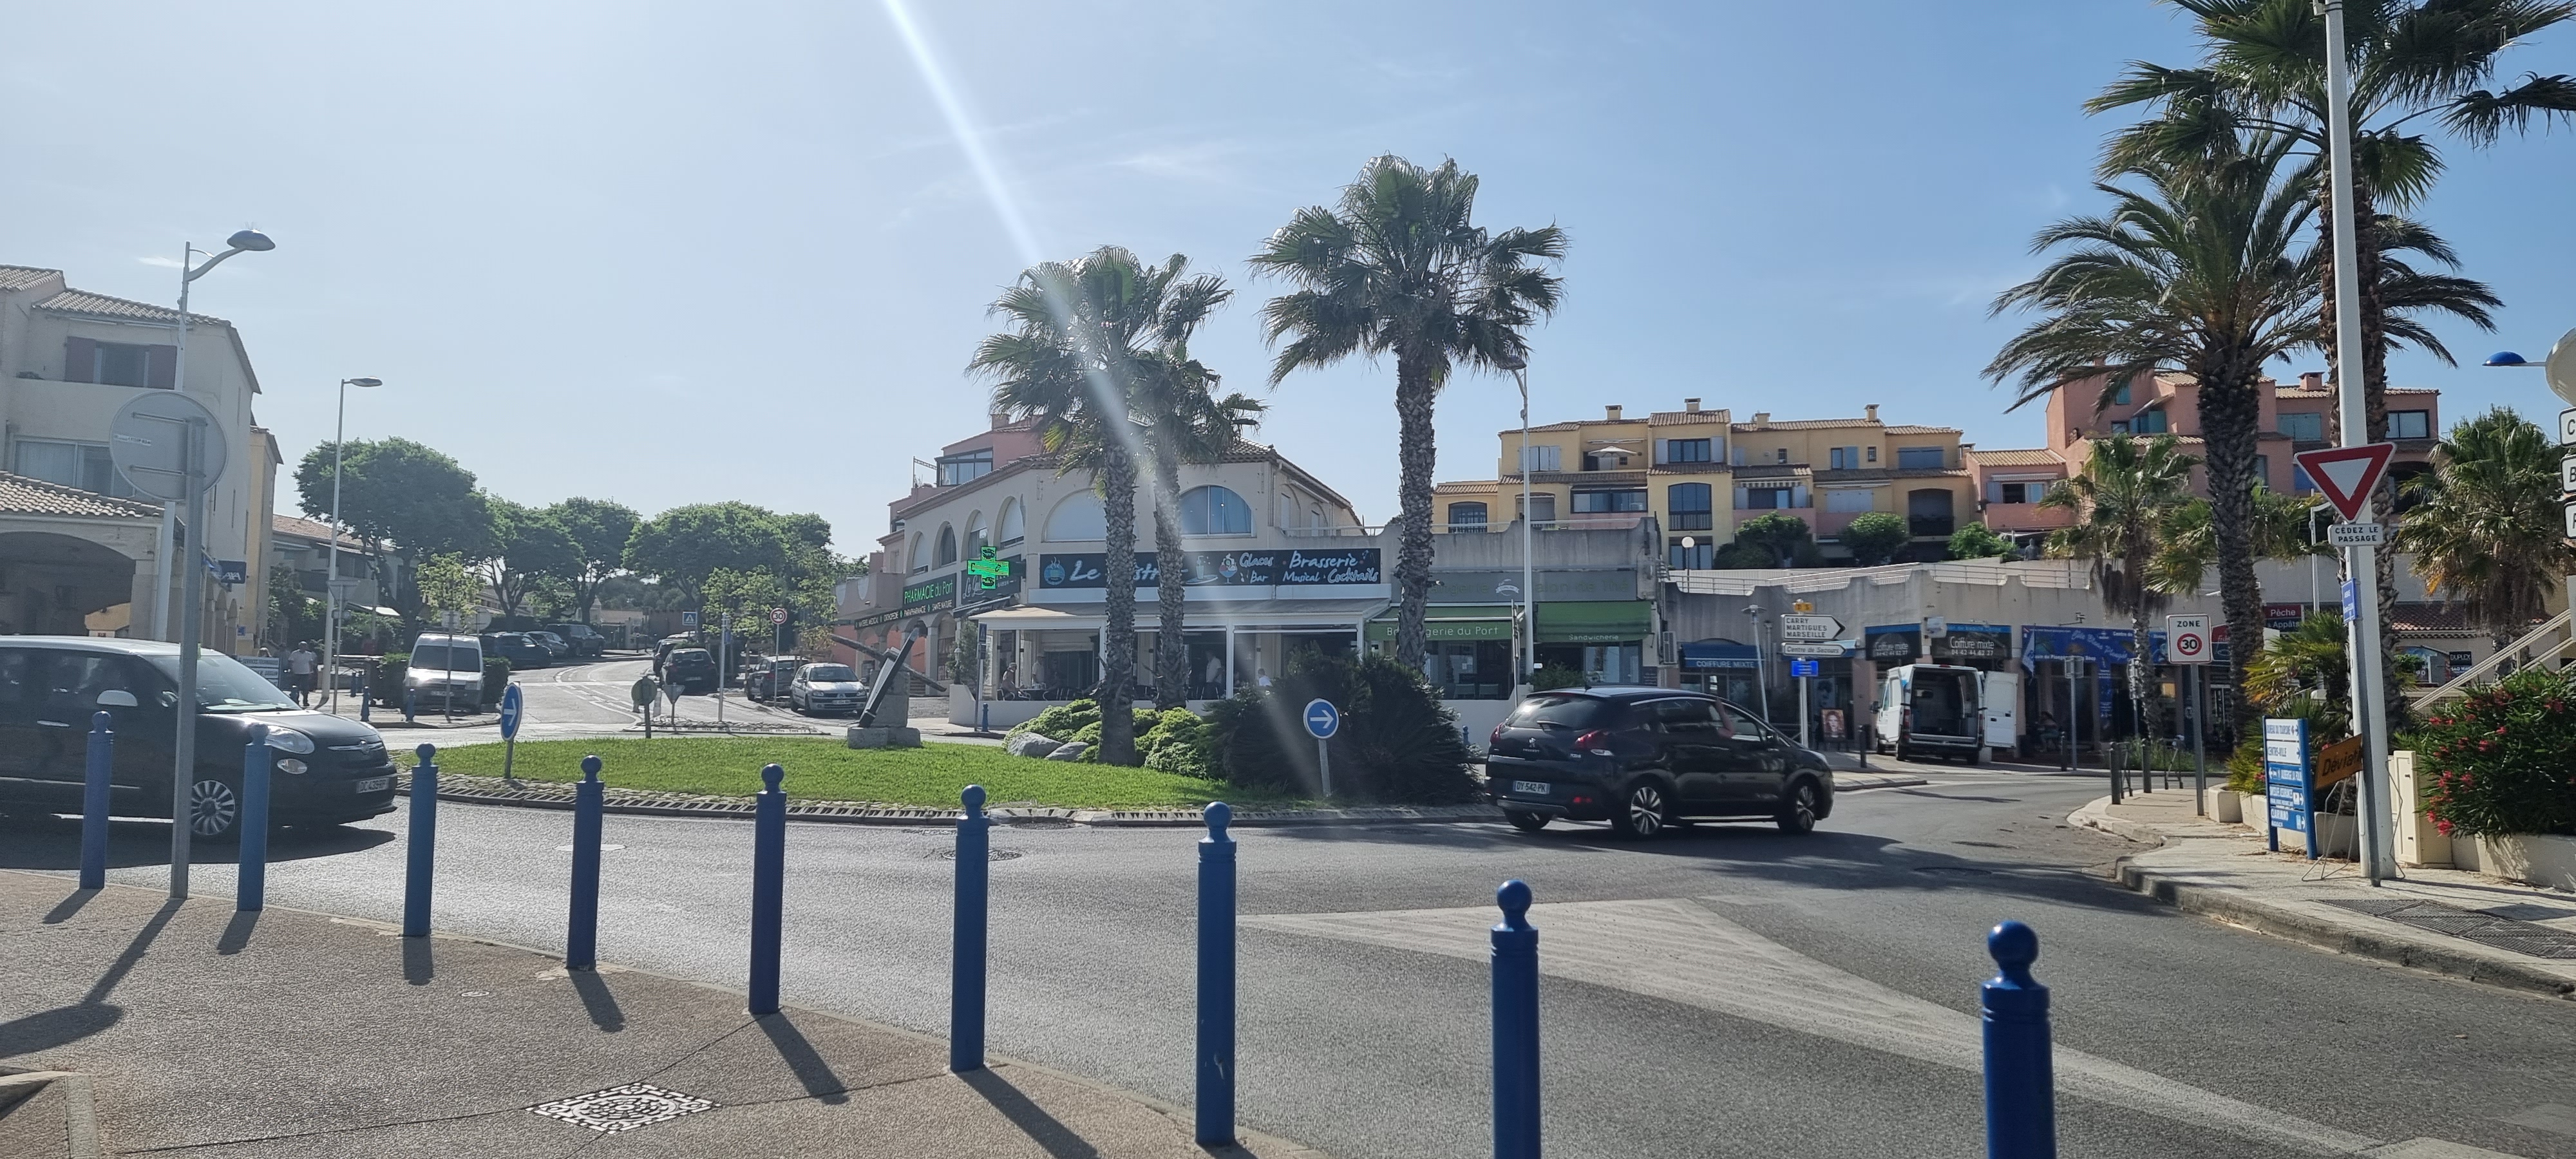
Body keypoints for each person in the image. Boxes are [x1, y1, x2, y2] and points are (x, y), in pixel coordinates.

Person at [286, 641, 319, 708]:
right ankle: (296, 700)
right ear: (299, 646)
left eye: (305, 646)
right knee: (296, 688)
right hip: (296, 673)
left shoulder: (309, 654)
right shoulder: (294, 653)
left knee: (306, 688)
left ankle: (305, 701)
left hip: (306, 673)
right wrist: (291, 670)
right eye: (302, 646)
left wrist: (311, 671)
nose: (303, 647)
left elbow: (311, 663)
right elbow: (290, 662)